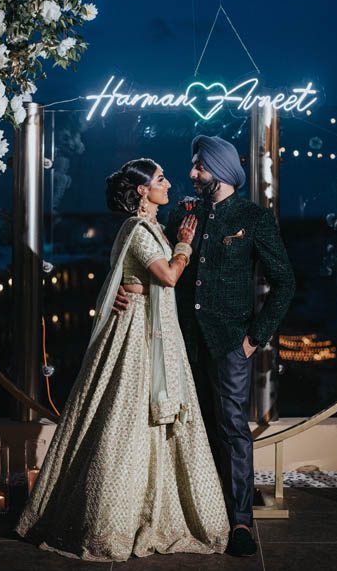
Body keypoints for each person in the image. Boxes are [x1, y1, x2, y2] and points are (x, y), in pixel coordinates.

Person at [15, 158, 230, 562]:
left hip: (156, 332)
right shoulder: (137, 228)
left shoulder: (149, 228)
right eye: (160, 179)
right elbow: (167, 276)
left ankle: (155, 508)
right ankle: (110, 519)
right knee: (124, 416)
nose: (168, 183)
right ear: (143, 192)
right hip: (136, 337)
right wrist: (183, 245)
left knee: (146, 420)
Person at [114, 136, 295, 557]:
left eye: (199, 167)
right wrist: (123, 288)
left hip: (232, 343)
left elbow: (285, 283)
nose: (191, 175)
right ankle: (196, 513)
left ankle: (240, 522)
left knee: (232, 428)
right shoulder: (183, 212)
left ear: (221, 169)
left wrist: (254, 339)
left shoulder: (253, 217)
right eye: (193, 167)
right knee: (187, 427)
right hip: (180, 340)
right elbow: (142, 250)